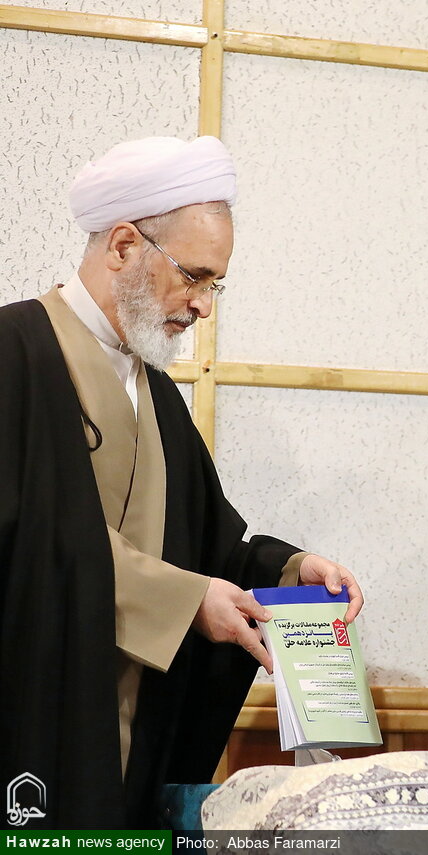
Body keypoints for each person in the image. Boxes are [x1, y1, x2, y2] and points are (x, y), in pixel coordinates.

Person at [0, 136, 366, 829]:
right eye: (193, 277)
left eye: (214, 284)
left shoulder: (158, 395)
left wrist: (289, 575)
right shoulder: (12, 354)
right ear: (123, 245)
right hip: (33, 728)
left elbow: (205, 551)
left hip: (133, 741)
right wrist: (183, 599)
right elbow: (28, 546)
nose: (203, 306)